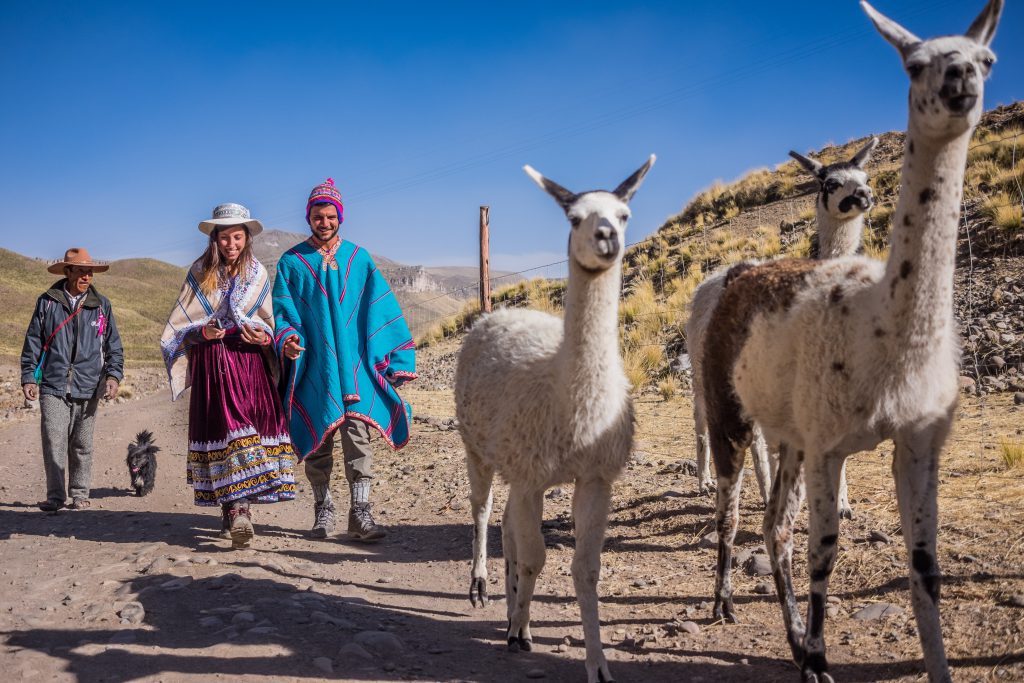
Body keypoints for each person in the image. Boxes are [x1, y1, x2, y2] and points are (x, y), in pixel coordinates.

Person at [273, 178, 416, 542]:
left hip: (356, 370)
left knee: (358, 438)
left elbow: (380, 308)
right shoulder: (292, 263)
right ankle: (323, 511)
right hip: (315, 368)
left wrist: (392, 356)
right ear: (309, 218)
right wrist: (288, 339)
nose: (325, 222)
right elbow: (284, 312)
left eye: (330, 216)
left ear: (340, 217)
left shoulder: (359, 258)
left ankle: (361, 512)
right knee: (319, 441)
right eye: (318, 216)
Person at [160, 203, 297, 549]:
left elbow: (269, 322)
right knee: (228, 431)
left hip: (249, 363)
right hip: (215, 364)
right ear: (214, 240)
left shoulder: (259, 275)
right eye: (225, 237)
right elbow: (178, 328)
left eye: (237, 237)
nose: (231, 244)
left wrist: (264, 337)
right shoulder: (199, 272)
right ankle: (237, 512)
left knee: (247, 428)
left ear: (246, 238)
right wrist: (202, 333)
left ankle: (237, 511)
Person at [21, 247, 124, 512]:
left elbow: (113, 345)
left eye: (89, 272)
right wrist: (28, 377)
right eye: (80, 271)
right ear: (67, 272)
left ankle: (79, 495)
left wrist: (113, 376)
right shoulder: (47, 302)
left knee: (82, 444)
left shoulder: (101, 305)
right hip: (53, 384)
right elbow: (33, 340)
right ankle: (55, 498)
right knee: (54, 440)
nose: (86, 277)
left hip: (89, 385)